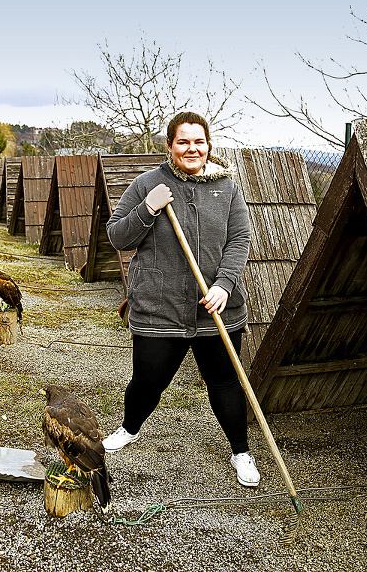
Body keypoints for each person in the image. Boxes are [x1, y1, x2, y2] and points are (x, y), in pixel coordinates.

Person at [103, 111, 259, 487]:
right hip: (160, 308)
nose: (192, 148)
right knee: (148, 380)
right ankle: (129, 427)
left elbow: (240, 239)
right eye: (183, 141)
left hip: (215, 308)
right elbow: (118, 237)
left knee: (224, 383)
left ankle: (241, 452)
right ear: (170, 146)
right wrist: (149, 207)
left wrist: (223, 284)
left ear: (208, 145)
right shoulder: (146, 184)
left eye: (199, 141)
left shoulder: (227, 187)